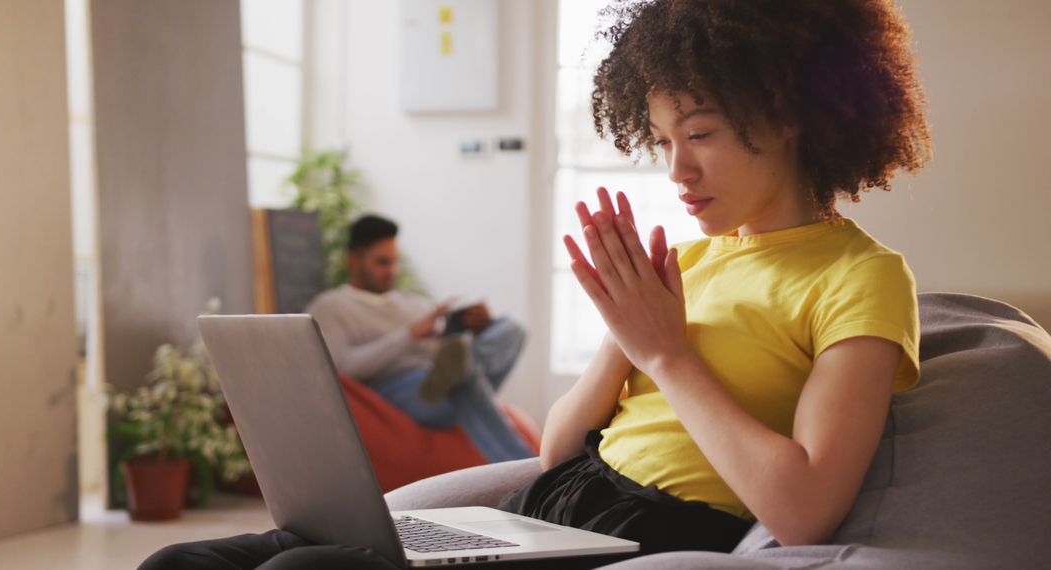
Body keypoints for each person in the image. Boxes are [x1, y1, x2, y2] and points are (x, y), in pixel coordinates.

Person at [141, 0, 931, 567]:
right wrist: (623, 341)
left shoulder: (861, 277)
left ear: (788, 115)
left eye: (700, 135)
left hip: (657, 531)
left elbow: (804, 511)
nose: (677, 170)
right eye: (661, 139)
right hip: (558, 509)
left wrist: (666, 356)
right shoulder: (689, 262)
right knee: (179, 563)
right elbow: (556, 449)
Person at [305, 214, 535, 464]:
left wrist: (474, 328)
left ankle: (462, 370)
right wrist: (409, 335)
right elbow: (344, 367)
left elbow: (443, 352)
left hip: (439, 376)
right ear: (353, 259)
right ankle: (530, 467)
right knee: (462, 374)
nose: (391, 271)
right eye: (382, 262)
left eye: (394, 262)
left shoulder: (413, 303)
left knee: (511, 328)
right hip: (400, 389)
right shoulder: (331, 306)